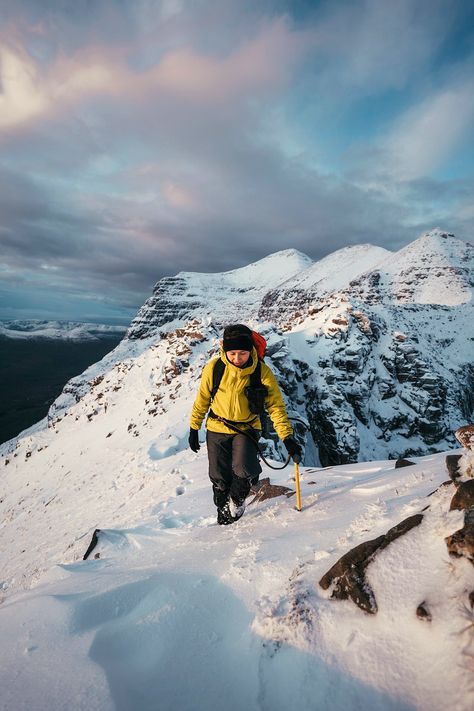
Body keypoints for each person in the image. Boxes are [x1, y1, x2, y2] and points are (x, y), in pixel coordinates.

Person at [188, 324, 302, 525]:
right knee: (219, 478)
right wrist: (194, 427)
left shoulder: (262, 373)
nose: (237, 359)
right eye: (232, 353)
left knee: (243, 468)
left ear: (250, 350)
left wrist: (287, 438)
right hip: (217, 426)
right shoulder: (214, 368)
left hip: (247, 428)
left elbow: (275, 407)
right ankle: (224, 514)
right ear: (225, 350)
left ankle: (236, 503)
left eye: (242, 353)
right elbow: (203, 399)